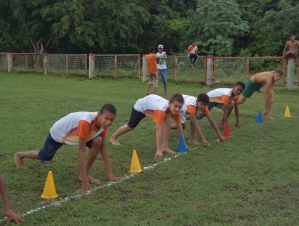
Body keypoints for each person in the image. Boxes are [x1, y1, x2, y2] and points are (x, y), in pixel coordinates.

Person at [14, 104, 120, 194]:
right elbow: (80, 153)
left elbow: (104, 149)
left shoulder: (103, 126)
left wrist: (110, 175)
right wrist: (84, 184)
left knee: (98, 142)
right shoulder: (86, 122)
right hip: (59, 134)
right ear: (99, 114)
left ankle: (85, 174)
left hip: (78, 135)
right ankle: (19, 155)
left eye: (112, 120)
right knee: (45, 156)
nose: (109, 122)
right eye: (106, 118)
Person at [110, 93, 186, 159]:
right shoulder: (161, 110)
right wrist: (158, 150)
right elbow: (158, 130)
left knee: (167, 120)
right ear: (170, 103)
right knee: (130, 126)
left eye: (180, 107)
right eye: (175, 106)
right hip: (140, 107)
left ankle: (165, 146)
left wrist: (183, 143)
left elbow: (179, 125)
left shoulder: (174, 110)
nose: (177, 109)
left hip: (151, 103)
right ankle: (113, 137)